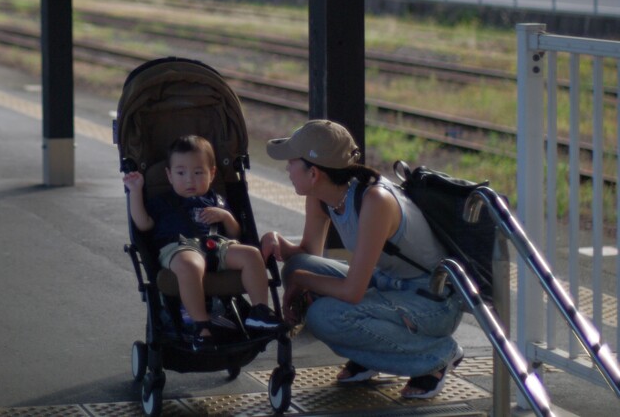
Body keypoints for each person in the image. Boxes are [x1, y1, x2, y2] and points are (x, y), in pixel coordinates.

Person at [260, 120, 464, 399]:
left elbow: (352, 291)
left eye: (292, 162)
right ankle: (371, 356)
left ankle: (436, 357)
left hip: (433, 301)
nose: (287, 168)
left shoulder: (375, 201)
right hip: (387, 283)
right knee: (297, 266)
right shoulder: (322, 196)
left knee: (323, 316)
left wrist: (302, 281)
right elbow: (308, 253)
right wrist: (280, 244)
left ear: (314, 173)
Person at [123, 134, 282, 351]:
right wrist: (135, 192)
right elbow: (143, 224)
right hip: (179, 247)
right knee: (191, 264)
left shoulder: (216, 200)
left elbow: (235, 233)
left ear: (212, 173)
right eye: (181, 173)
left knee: (252, 254)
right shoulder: (162, 202)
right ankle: (201, 326)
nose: (189, 180)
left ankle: (260, 312)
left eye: (198, 173)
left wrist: (226, 217)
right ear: (169, 175)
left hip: (216, 245)